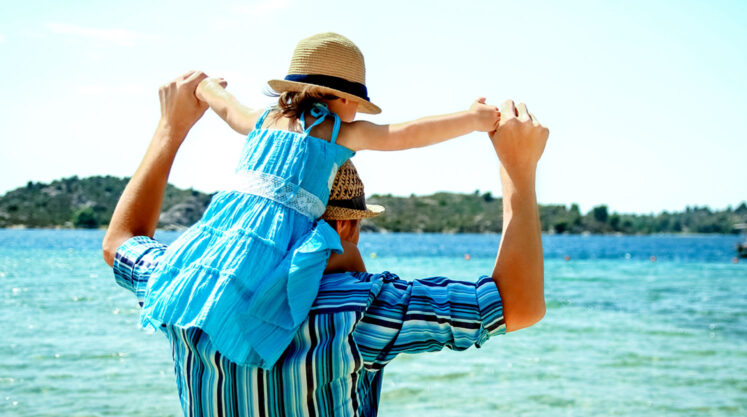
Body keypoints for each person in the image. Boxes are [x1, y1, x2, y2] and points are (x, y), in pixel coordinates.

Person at [102, 70, 549, 416]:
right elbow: (517, 305)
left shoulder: (183, 287)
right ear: (348, 226)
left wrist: (170, 127)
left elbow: (121, 241)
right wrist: (518, 169)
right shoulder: (360, 310)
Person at [140, 32, 501, 369]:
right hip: (282, 236)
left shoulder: (264, 119)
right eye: (356, 105)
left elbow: (228, 108)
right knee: (336, 263)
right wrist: (471, 119)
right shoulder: (339, 131)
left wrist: (205, 87)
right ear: (343, 99)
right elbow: (408, 134)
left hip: (225, 226)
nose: (356, 113)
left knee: (217, 284)